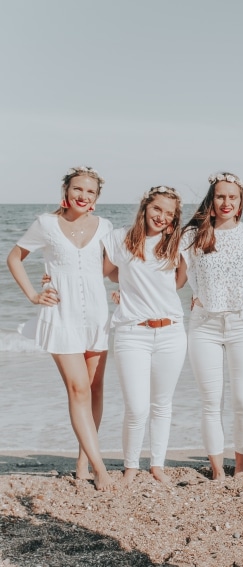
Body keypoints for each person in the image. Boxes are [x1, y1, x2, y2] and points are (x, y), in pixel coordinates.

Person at [6, 166, 114, 490]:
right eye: (77, 189)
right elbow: (14, 257)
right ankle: (100, 468)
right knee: (78, 388)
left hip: (97, 316)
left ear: (95, 199)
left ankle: (83, 460)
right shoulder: (46, 224)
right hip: (61, 316)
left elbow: (109, 269)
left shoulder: (105, 227)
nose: (83, 195)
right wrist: (34, 295)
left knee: (95, 388)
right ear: (66, 192)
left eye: (90, 192)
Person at [181, 172, 243, 480]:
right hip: (204, 325)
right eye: (221, 196)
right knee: (210, 400)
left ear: (241, 201)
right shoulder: (192, 236)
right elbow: (174, 277)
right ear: (212, 200)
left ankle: (241, 469)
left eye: (233, 197)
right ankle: (218, 471)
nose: (226, 202)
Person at [102, 186, 187, 486]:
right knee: (136, 407)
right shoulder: (119, 239)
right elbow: (105, 271)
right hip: (131, 332)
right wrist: (125, 287)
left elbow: (177, 282)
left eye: (169, 214)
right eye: (157, 209)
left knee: (162, 404)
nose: (161, 217)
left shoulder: (177, 244)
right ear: (145, 207)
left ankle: (158, 465)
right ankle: (130, 467)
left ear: (175, 219)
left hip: (172, 332)